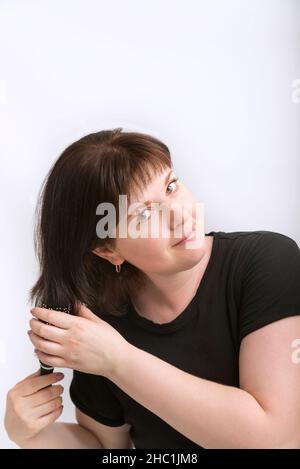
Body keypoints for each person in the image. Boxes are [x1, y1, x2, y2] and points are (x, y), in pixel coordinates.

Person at [4, 128, 300, 449]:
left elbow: (276, 439)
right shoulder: (99, 326)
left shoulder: (268, 261)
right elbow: (107, 448)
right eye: (145, 213)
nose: (180, 214)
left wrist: (118, 360)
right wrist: (28, 434)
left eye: (171, 187)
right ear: (107, 250)